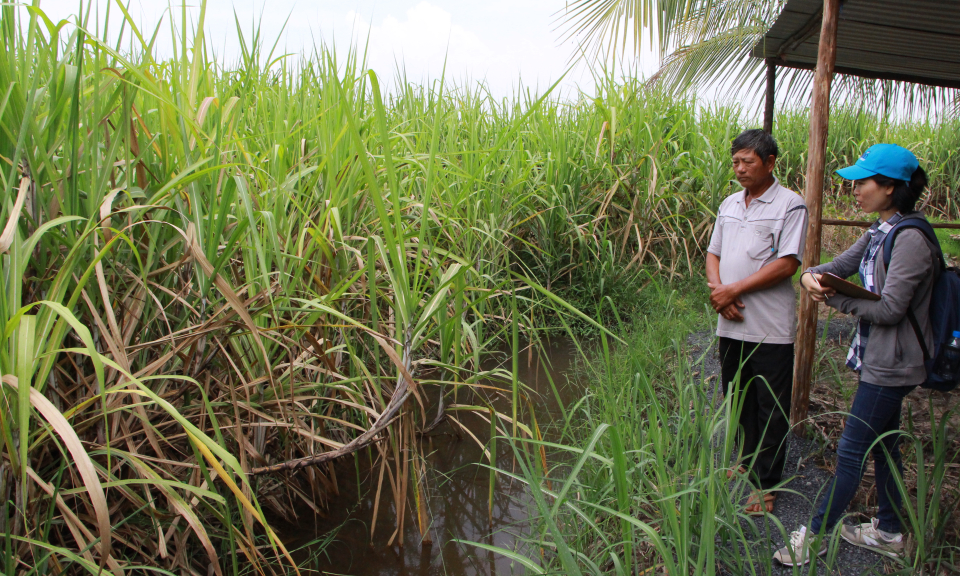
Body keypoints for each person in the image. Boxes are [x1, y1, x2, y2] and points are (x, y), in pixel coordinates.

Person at [775, 144, 938, 566]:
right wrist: (813, 276)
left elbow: (889, 309)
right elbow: (836, 266)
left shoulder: (912, 239)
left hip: (893, 363)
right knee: (883, 447)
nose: (855, 190)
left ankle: (815, 535)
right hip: (878, 359)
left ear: (889, 188)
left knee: (850, 452)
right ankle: (888, 530)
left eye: (862, 182)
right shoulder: (880, 230)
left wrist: (831, 300)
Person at [706, 129, 808, 514]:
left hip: (769, 326)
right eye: (735, 161)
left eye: (747, 161)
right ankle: (747, 461)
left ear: (770, 163)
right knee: (739, 396)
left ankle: (768, 484)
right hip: (730, 322)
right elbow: (713, 253)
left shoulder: (790, 205)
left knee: (770, 404)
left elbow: (788, 263)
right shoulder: (730, 204)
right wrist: (720, 292)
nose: (739, 169)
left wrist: (733, 291)